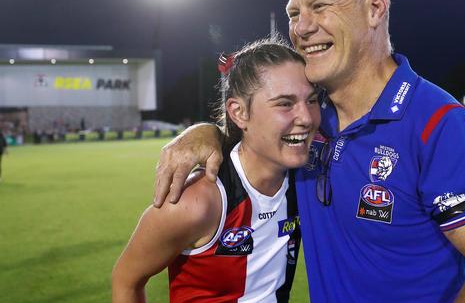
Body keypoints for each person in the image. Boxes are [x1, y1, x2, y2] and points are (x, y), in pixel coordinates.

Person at [153, 0, 465, 302]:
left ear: (375, 9)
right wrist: (205, 133)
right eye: (294, 13)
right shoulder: (308, 118)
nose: (301, 28)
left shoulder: (441, 127)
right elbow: (254, 139)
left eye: (319, 6)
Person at [112, 39, 320, 302]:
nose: (307, 117)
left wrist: (205, 131)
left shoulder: (306, 178)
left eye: (312, 100)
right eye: (285, 104)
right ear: (239, 112)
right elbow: (126, 280)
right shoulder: (196, 203)